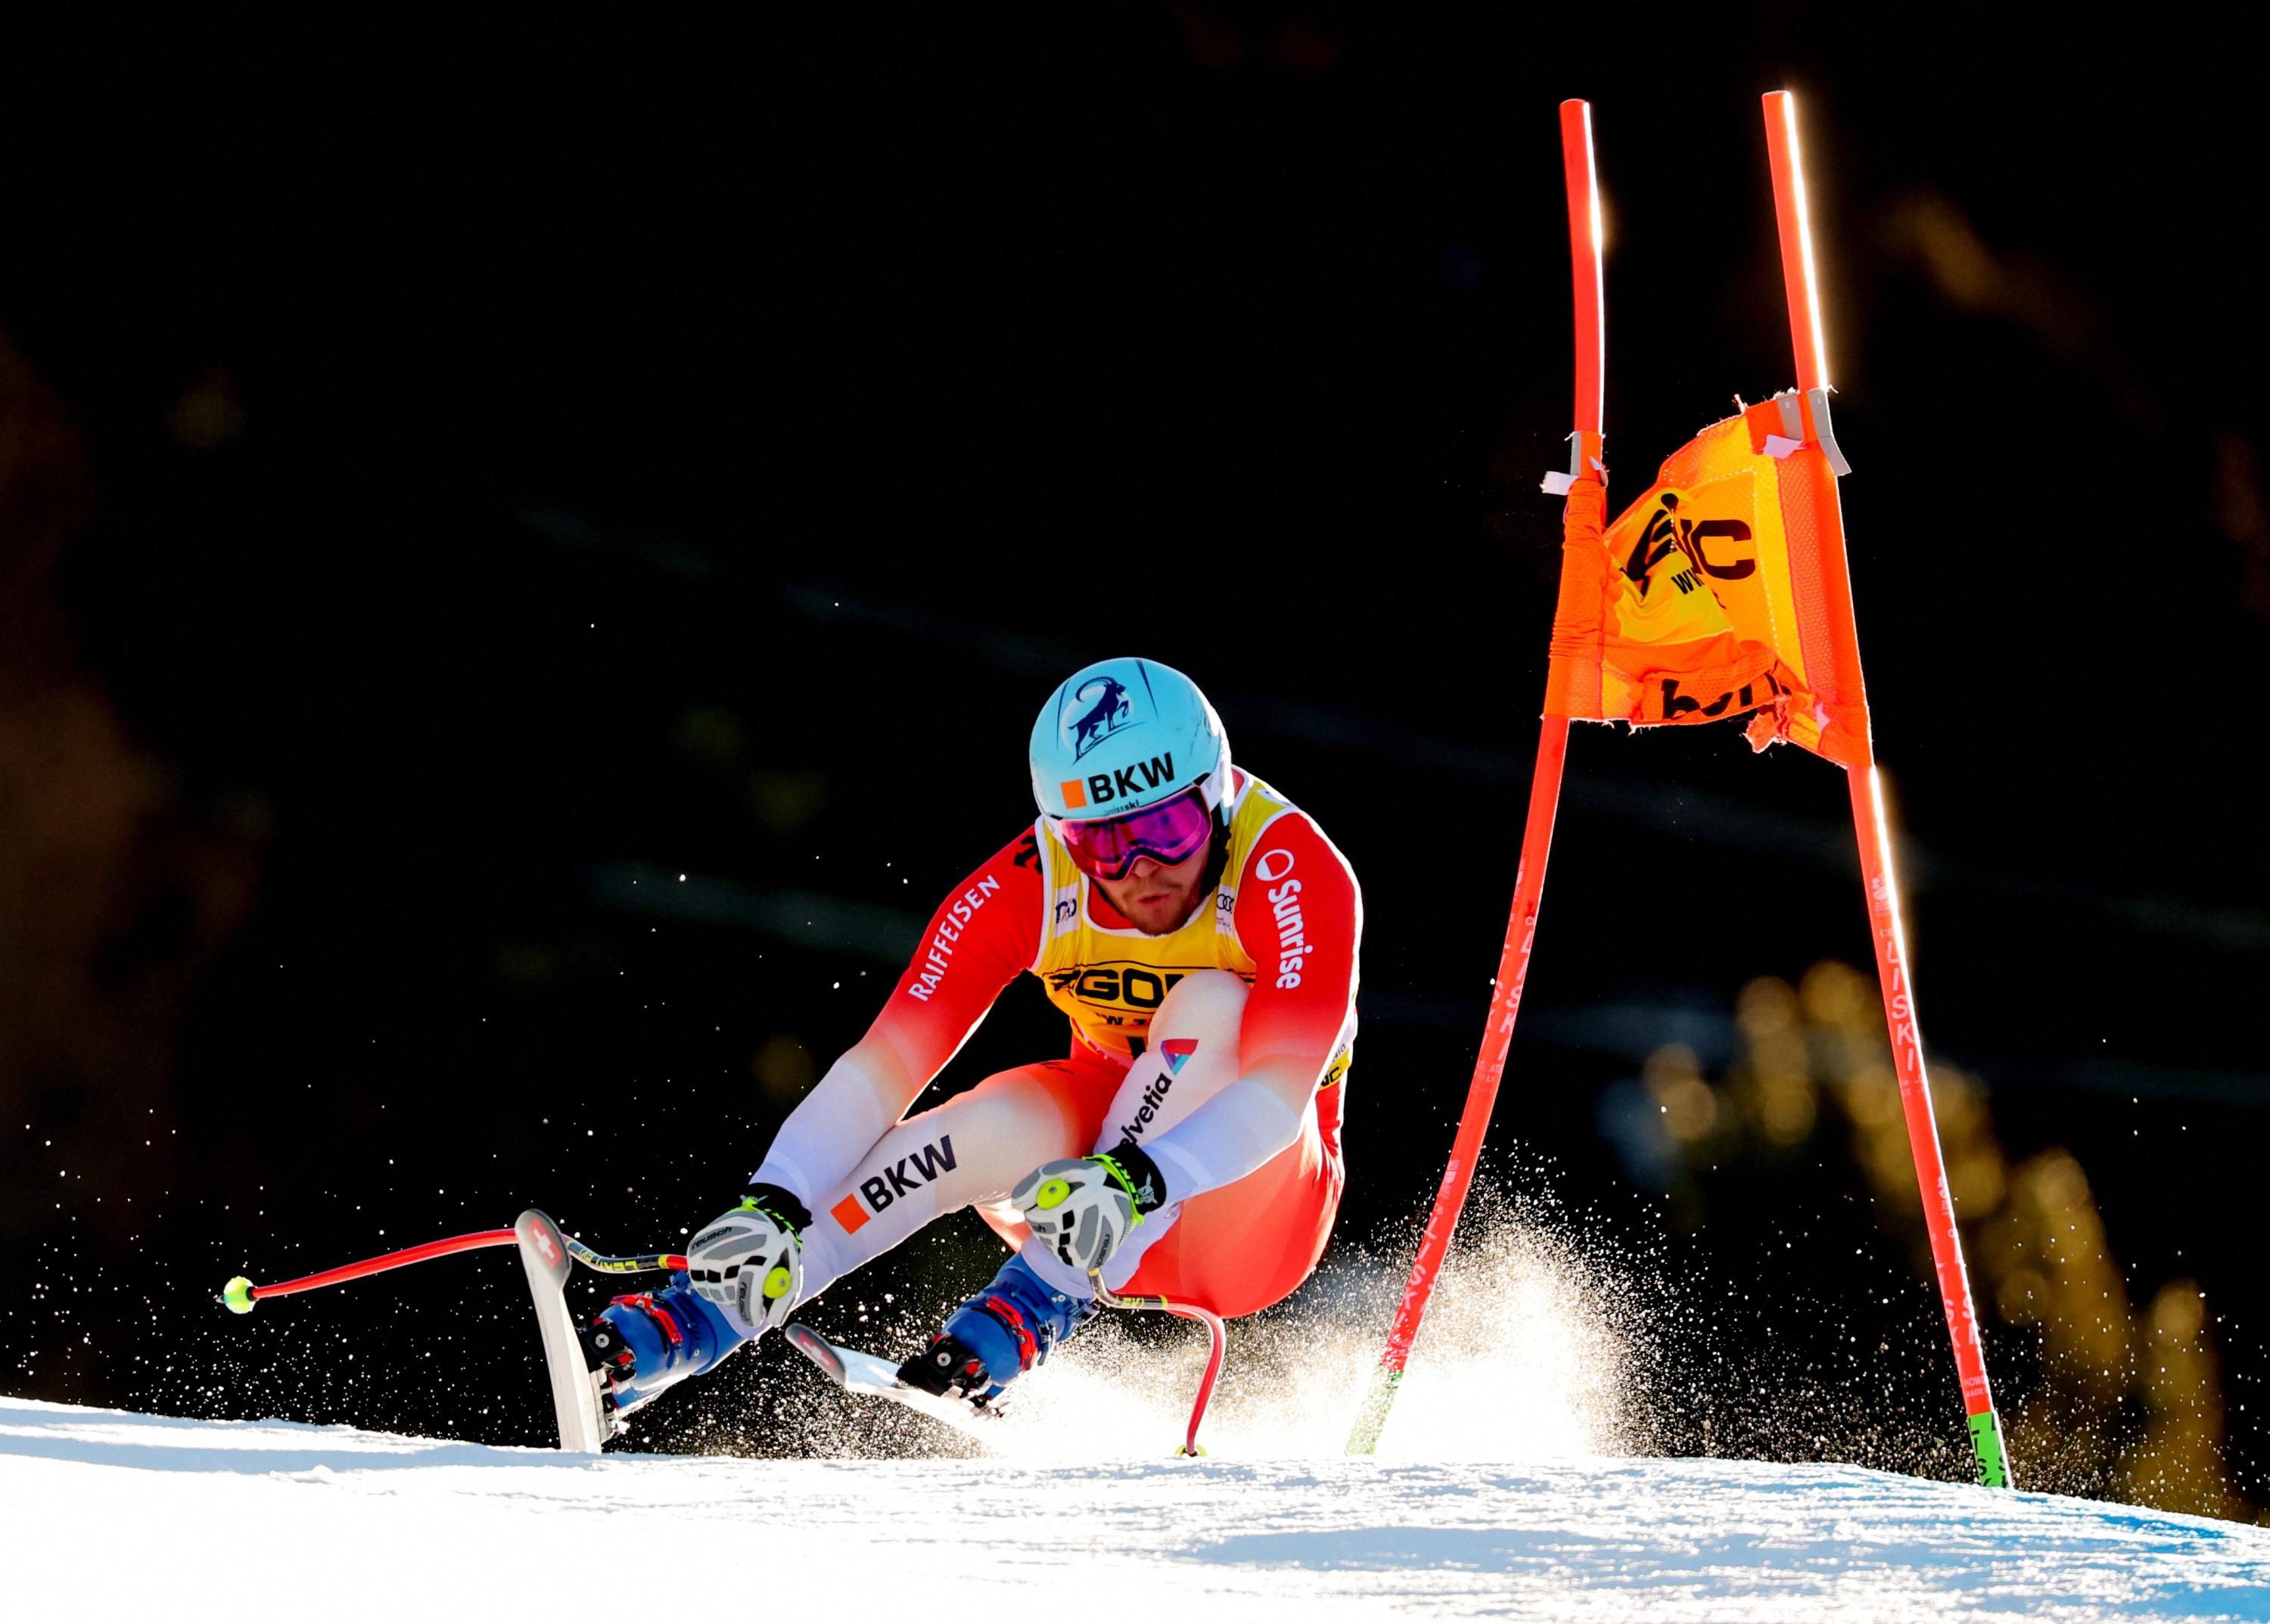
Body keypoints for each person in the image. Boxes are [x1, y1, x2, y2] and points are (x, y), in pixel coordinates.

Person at [577, 656, 1360, 1428]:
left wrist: (1138, 1181)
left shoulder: (1294, 870)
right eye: (1103, 847)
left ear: (1218, 797)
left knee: (1216, 1007)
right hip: (1080, 1192)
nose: (1141, 869)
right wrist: (773, 1197)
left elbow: (1279, 1093)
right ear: (1062, 836)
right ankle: (708, 1313)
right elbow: (884, 1066)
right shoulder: (1031, 881)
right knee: (984, 1122)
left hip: (1243, 1214)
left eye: (1169, 827)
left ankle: (1031, 1302)